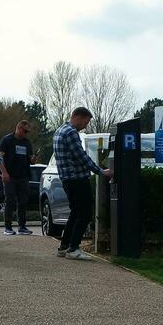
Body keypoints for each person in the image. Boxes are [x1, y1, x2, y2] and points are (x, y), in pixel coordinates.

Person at [52, 106, 109, 262]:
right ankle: (74, 248)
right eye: (86, 121)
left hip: (66, 179)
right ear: (78, 117)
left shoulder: (59, 131)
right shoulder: (71, 133)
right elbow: (81, 157)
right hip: (77, 178)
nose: (85, 126)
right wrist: (101, 172)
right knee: (84, 213)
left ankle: (64, 246)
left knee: (75, 212)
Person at [0, 119, 34, 235]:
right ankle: (8, 227)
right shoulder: (7, 140)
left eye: (27, 132)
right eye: (25, 131)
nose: (26, 134)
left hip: (23, 176)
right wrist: (4, 173)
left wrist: (33, 159)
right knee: (10, 201)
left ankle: (22, 226)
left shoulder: (26, 142)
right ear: (18, 128)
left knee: (23, 201)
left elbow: (30, 159)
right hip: (10, 176)